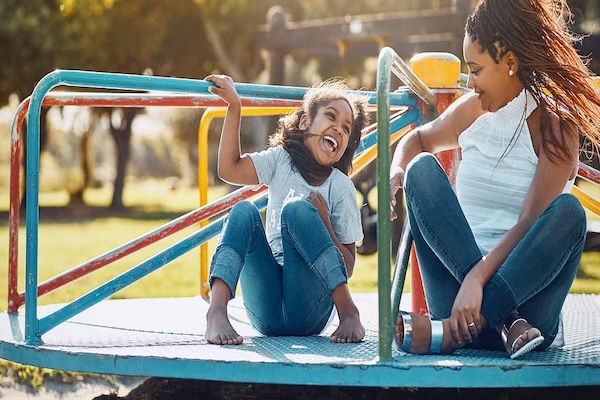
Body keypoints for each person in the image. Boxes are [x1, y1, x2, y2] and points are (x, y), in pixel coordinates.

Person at [389, 0, 600, 359]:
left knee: (570, 212)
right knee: (422, 169)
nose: (470, 82)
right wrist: (397, 170)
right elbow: (419, 140)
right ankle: (503, 323)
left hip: (529, 306)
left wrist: (478, 280)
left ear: (510, 64)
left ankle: (456, 334)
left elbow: (531, 222)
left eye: (476, 69)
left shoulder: (556, 128)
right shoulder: (471, 111)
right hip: (461, 304)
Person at [203, 74, 369, 345]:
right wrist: (235, 107)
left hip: (309, 310)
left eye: (347, 128)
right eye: (331, 117)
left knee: (297, 211)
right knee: (243, 210)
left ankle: (348, 312)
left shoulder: (340, 187)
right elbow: (228, 169)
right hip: (266, 310)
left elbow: (348, 267)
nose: (339, 129)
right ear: (305, 122)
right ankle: (217, 311)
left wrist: (323, 221)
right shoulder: (281, 161)